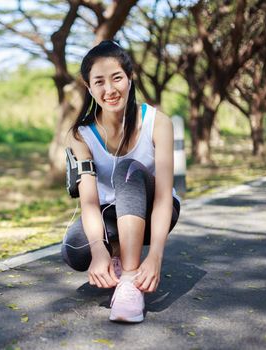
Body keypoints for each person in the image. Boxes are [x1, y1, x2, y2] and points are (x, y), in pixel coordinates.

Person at [61, 40, 181, 323]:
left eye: (117, 78)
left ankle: (129, 282)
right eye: (99, 82)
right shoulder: (81, 135)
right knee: (75, 250)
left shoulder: (157, 122)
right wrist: (99, 251)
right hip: (111, 214)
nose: (109, 90)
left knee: (127, 170)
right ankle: (116, 252)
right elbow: (89, 204)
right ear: (89, 88)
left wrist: (155, 257)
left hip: (154, 211)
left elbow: (164, 197)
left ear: (129, 79)